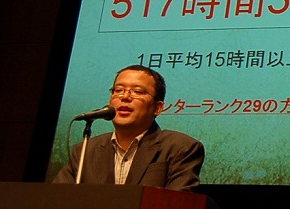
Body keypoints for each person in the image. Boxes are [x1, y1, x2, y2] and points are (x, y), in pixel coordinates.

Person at [52, 64, 204, 191]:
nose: (125, 97)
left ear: (157, 108)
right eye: (118, 90)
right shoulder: (85, 150)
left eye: (137, 92)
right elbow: (56, 200)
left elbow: (177, 206)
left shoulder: (180, 147)